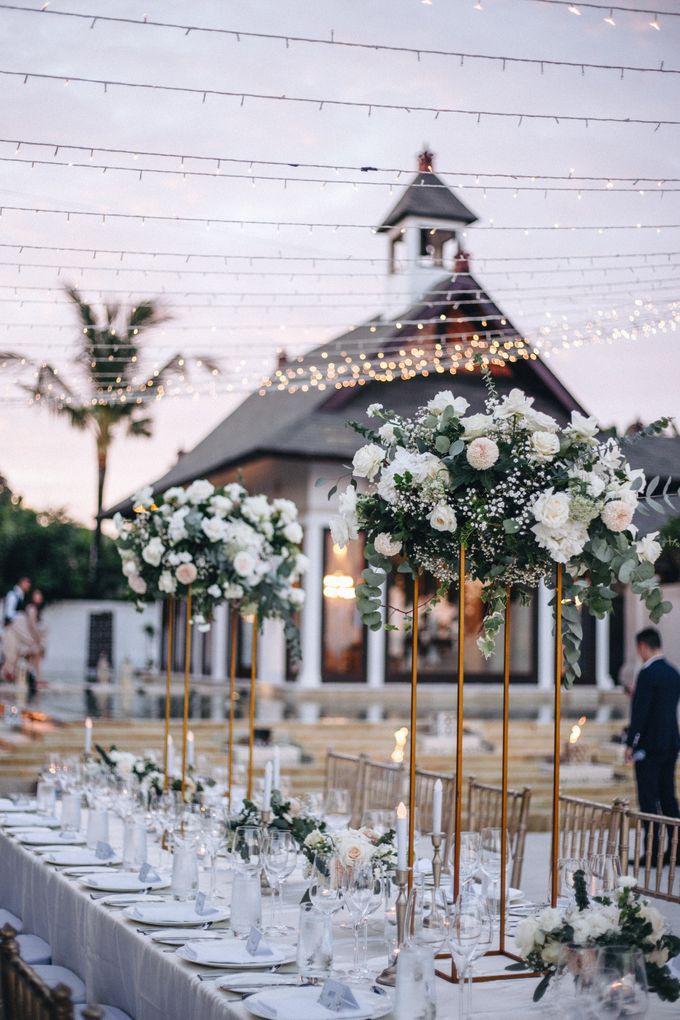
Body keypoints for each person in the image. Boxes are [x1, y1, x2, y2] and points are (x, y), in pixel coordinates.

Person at [625, 627, 680, 862]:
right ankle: (676, 850)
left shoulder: (647, 673)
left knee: (648, 799)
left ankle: (652, 852)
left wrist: (631, 743)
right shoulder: (673, 672)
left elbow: (641, 713)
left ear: (642, 647)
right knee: (668, 795)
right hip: (670, 742)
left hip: (649, 746)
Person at [1, 576, 31, 681]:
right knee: (10, 654)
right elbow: (8, 614)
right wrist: (21, 617)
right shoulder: (13, 595)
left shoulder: (21, 596)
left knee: (15, 654)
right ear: (22, 583)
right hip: (11, 628)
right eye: (27, 583)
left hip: (15, 629)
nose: (28, 586)